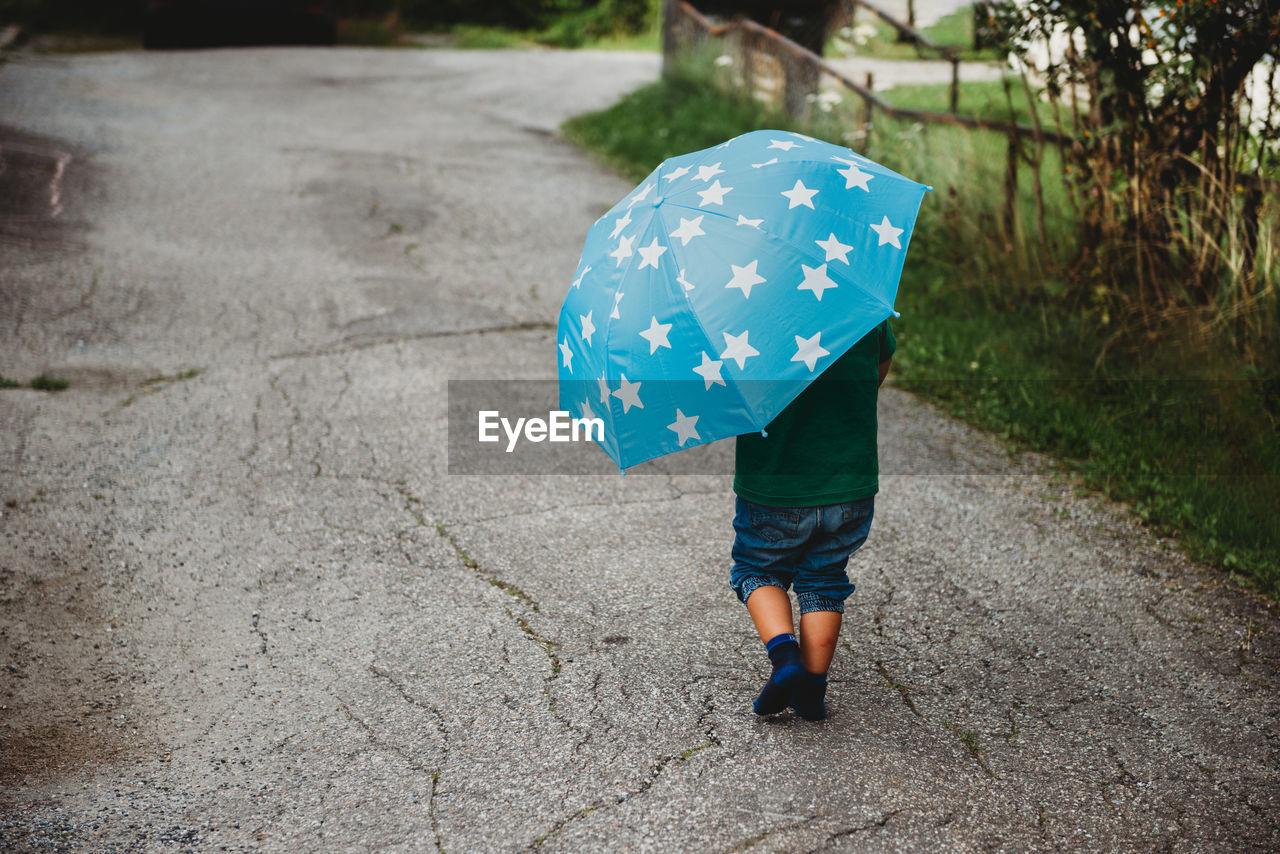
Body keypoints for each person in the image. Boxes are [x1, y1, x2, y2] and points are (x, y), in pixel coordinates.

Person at [730, 318, 894, 720]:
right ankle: (812, 691)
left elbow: (727, 397)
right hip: (850, 486)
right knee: (824, 579)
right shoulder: (863, 308)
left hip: (773, 485)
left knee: (756, 569)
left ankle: (786, 659)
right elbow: (880, 366)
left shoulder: (747, 320)